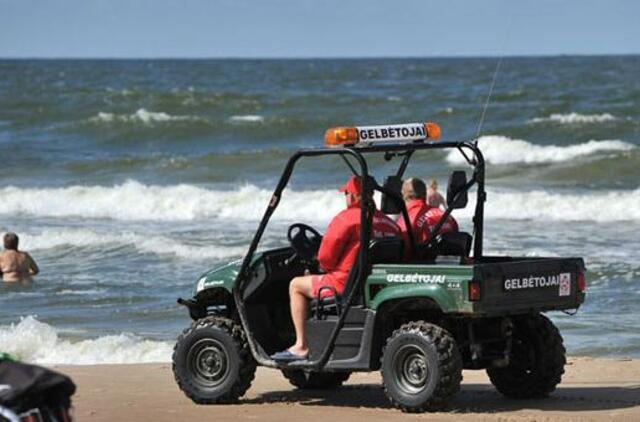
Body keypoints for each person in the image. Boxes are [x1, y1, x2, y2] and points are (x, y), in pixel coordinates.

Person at [271, 176, 400, 361]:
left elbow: (325, 259)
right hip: (369, 283)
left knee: (295, 285)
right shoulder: (389, 223)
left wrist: (318, 266)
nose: (345, 197)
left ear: (354, 196)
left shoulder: (347, 219)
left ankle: (301, 345)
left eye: (346, 193)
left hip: (342, 284)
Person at [398, 178, 458, 245]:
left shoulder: (406, 221)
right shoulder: (449, 218)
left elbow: (404, 251)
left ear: (403, 196)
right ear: (425, 194)